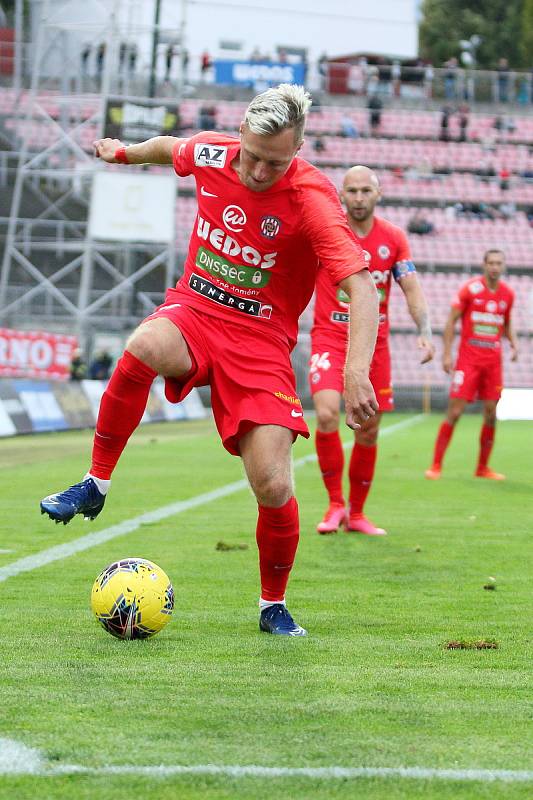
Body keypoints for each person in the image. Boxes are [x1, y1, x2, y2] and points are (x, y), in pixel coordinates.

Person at [40, 85, 379, 637]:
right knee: (145, 344)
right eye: (253, 156)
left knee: (272, 484)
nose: (260, 171)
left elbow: (360, 287)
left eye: (277, 162)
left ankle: (273, 604)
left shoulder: (312, 197)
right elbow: (169, 146)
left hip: (262, 342)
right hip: (195, 309)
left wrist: (355, 370)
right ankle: (94, 484)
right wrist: (123, 152)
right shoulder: (212, 152)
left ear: (296, 150)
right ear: (240, 135)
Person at [309, 166, 434, 536]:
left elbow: (411, 287)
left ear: (378, 194)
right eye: (353, 191)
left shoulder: (393, 238)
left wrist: (425, 331)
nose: (359, 198)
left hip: (374, 346)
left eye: (366, 190)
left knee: (368, 429)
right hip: (330, 337)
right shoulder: (327, 231)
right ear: (342, 195)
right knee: (328, 414)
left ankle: (357, 513)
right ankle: (335, 505)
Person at [425, 250, 518, 481]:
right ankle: (436, 465)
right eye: (491, 263)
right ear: (484, 265)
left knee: (490, 413)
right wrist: (447, 354)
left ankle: (482, 468)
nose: (495, 267)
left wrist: (514, 343)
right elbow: (451, 321)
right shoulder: (470, 289)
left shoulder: (508, 294)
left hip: (493, 362)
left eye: (499, 263)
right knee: (455, 412)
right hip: (468, 361)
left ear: (503, 266)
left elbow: (506, 323)